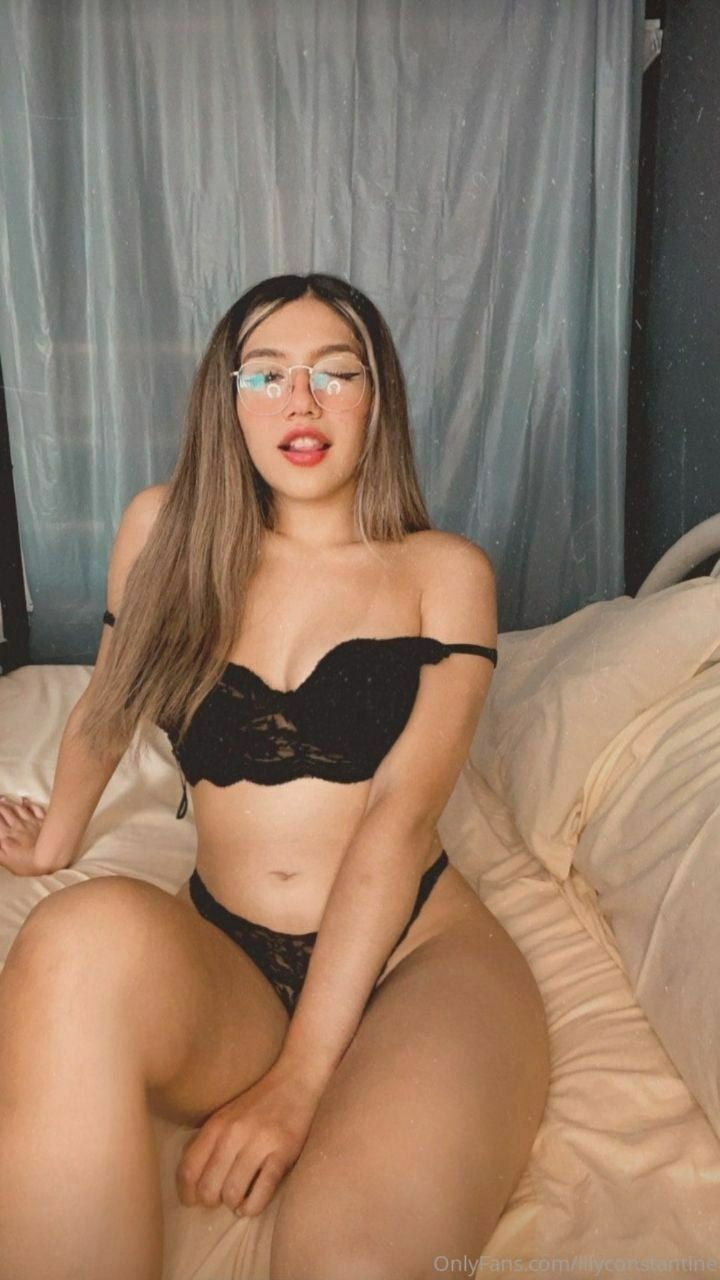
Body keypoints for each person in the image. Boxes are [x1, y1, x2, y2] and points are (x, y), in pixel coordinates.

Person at [0, 273, 550, 1280]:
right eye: (267, 375)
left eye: (335, 374)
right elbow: (107, 703)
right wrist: (53, 841)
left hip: (412, 958)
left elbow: (399, 819)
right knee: (68, 941)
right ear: (230, 399)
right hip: (231, 959)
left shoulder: (443, 571)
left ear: (376, 400)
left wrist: (300, 1082)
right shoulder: (164, 533)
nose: (301, 400)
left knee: (352, 1264)